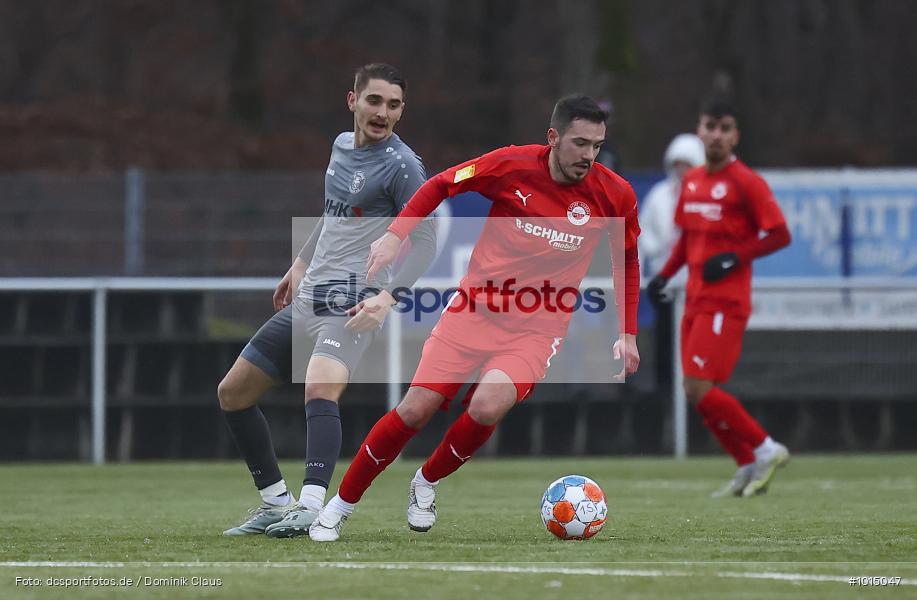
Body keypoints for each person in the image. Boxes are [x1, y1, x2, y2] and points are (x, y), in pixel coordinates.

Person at [308, 94, 642, 542]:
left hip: (537, 325)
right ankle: (340, 506)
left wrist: (627, 333)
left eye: (597, 146)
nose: (589, 156)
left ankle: (426, 481)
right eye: (580, 143)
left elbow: (627, 261)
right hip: (473, 310)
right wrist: (395, 235)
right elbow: (441, 184)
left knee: (487, 405)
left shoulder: (614, 193)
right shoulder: (510, 165)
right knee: (415, 409)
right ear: (553, 137)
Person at [218, 63, 436, 536]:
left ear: (402, 110)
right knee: (233, 394)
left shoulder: (402, 167)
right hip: (310, 297)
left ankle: (313, 506)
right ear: (352, 100)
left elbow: (426, 243)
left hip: (353, 302)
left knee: (319, 387)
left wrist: (387, 297)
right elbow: (334, 213)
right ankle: (277, 503)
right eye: (374, 101)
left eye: (394, 105)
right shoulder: (340, 146)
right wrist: (299, 264)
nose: (383, 113)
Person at [647, 98, 792, 498]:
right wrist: (664, 274)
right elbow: (686, 240)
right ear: (699, 130)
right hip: (693, 299)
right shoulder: (692, 181)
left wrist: (735, 258)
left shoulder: (746, 182)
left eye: (725, 128)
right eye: (710, 126)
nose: (716, 135)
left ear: (735, 136)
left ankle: (765, 448)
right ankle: (746, 463)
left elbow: (780, 233)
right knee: (695, 392)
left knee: (698, 386)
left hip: (725, 302)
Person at [639, 134, 705, 387]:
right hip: (666, 283)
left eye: (687, 164)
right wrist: (656, 251)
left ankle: (694, 390)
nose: (682, 170)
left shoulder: (706, 196)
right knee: (665, 339)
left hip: (695, 285)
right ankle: (665, 390)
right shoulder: (659, 196)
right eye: (678, 164)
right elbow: (644, 231)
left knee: (695, 341)